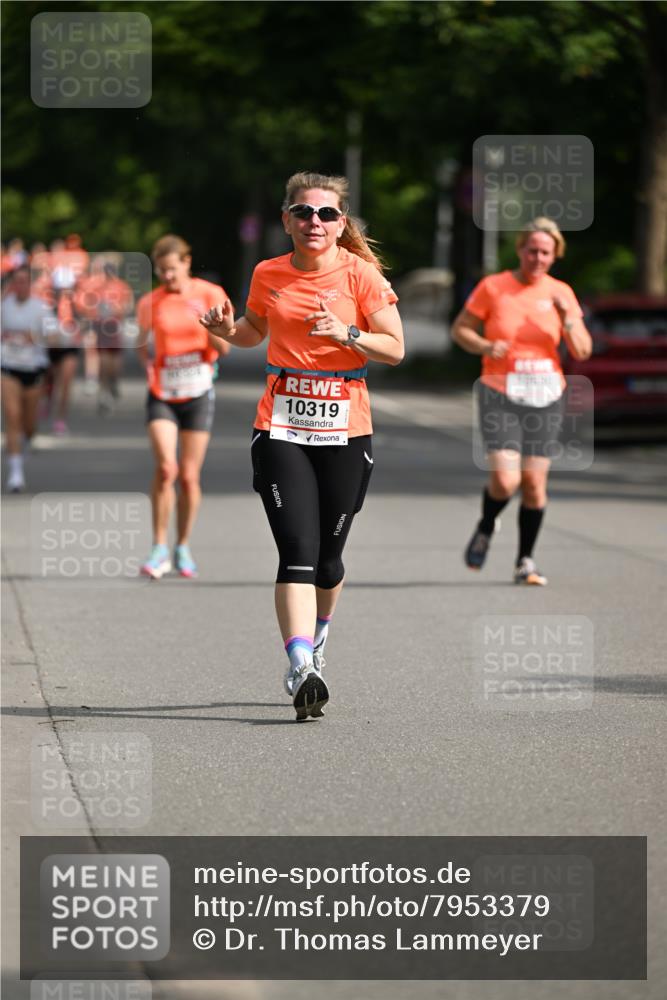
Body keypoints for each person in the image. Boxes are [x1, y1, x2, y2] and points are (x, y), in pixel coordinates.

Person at [201, 171, 404, 721]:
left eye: (327, 214)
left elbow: (395, 348)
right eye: (304, 212)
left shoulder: (361, 275)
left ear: (341, 224)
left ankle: (317, 638)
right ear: (287, 220)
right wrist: (225, 329)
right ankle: (300, 665)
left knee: (328, 563)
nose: (315, 221)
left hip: (346, 428)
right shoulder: (268, 272)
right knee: (297, 551)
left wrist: (348, 334)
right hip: (281, 426)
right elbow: (253, 330)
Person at [452, 217, 592, 585]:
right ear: (520, 250)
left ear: (555, 255)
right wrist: (485, 345)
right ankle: (487, 523)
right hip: (500, 393)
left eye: (545, 252)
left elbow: (582, 350)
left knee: (532, 482)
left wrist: (569, 319)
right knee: (505, 480)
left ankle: (525, 561)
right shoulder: (494, 287)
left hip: (546, 395)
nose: (538, 258)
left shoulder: (561, 293)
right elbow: (460, 330)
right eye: (532, 250)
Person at [136, 235, 230, 579]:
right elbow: (141, 341)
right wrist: (148, 364)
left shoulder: (210, 294)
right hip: (162, 392)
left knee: (189, 476)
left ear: (187, 262)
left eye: (171, 269)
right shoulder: (151, 301)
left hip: (198, 392)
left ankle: (183, 545)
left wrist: (208, 328)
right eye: (161, 271)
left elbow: (226, 348)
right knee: (166, 469)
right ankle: (159, 546)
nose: (166, 277)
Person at [1, 266, 55, 491]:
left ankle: (26, 439)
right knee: (12, 416)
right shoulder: (4, 307)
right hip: (8, 367)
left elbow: (55, 337)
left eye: (24, 281)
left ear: (30, 284)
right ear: (12, 284)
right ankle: (16, 474)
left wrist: (35, 337)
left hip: (33, 369)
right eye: (17, 281)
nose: (20, 285)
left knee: (29, 424)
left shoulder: (41, 308)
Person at [75, 258, 133, 413]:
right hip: (101, 327)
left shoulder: (121, 286)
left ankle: (113, 383)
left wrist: (116, 310)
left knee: (114, 362)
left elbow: (127, 306)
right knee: (103, 360)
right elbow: (88, 306)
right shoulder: (98, 287)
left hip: (114, 327)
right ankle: (104, 392)